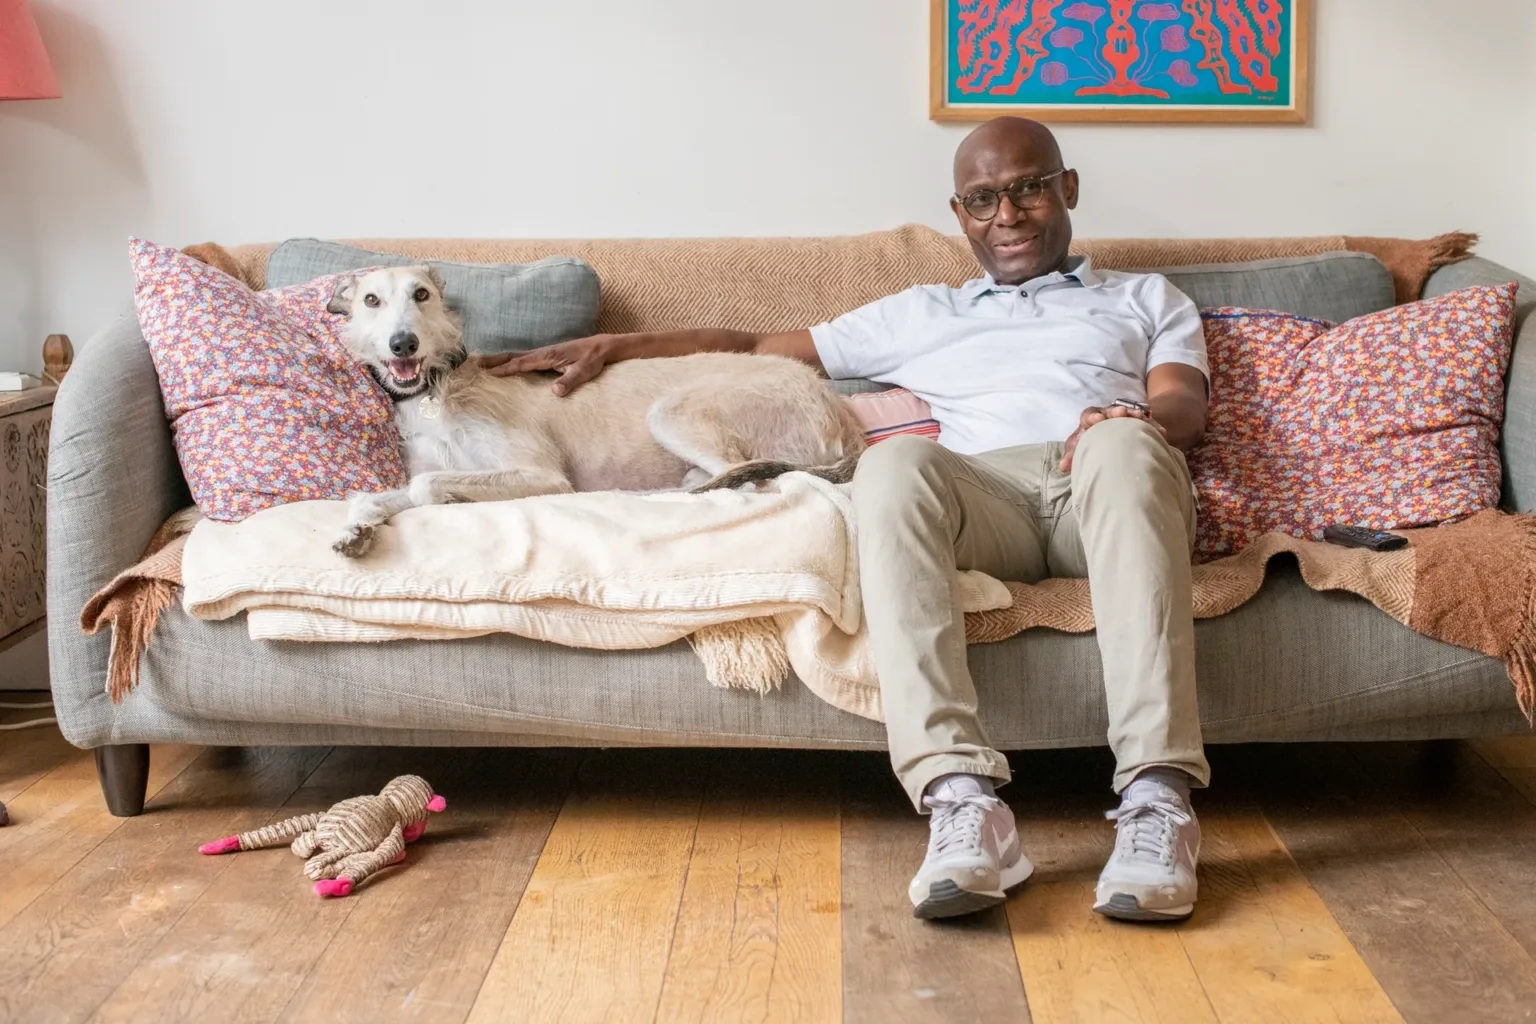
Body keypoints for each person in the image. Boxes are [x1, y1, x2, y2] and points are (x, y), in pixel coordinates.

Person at [481, 117, 1209, 923]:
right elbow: (758, 343)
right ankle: (960, 799)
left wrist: (1124, 418)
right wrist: (622, 346)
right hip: (985, 500)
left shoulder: (1145, 297)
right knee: (892, 463)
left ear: (1067, 189)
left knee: (1129, 441)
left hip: (1099, 483)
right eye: (982, 199)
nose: (1007, 214)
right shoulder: (923, 311)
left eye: (1029, 188)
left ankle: (1157, 800)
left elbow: (1180, 401)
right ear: (959, 214)